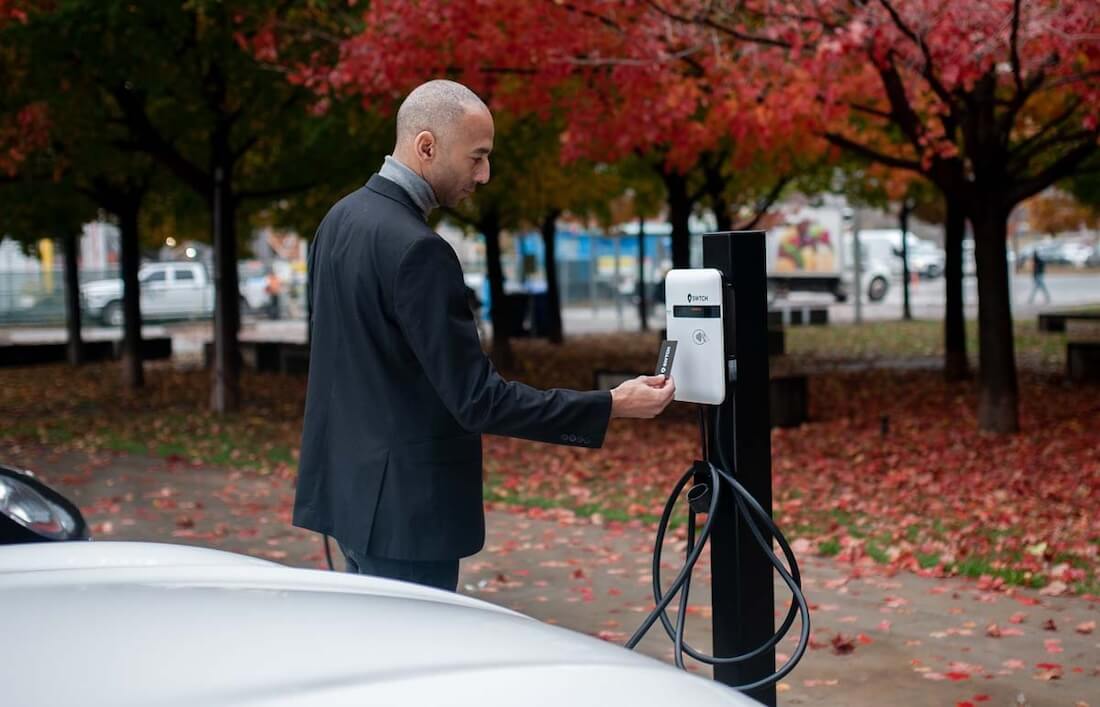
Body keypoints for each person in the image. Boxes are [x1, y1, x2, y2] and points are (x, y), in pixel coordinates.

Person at [293, 80, 675, 592]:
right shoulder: (418, 251)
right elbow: (477, 400)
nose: (485, 174)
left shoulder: (338, 220)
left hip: (350, 498)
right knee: (420, 664)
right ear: (426, 146)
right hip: (408, 517)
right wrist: (609, 404)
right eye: (476, 157)